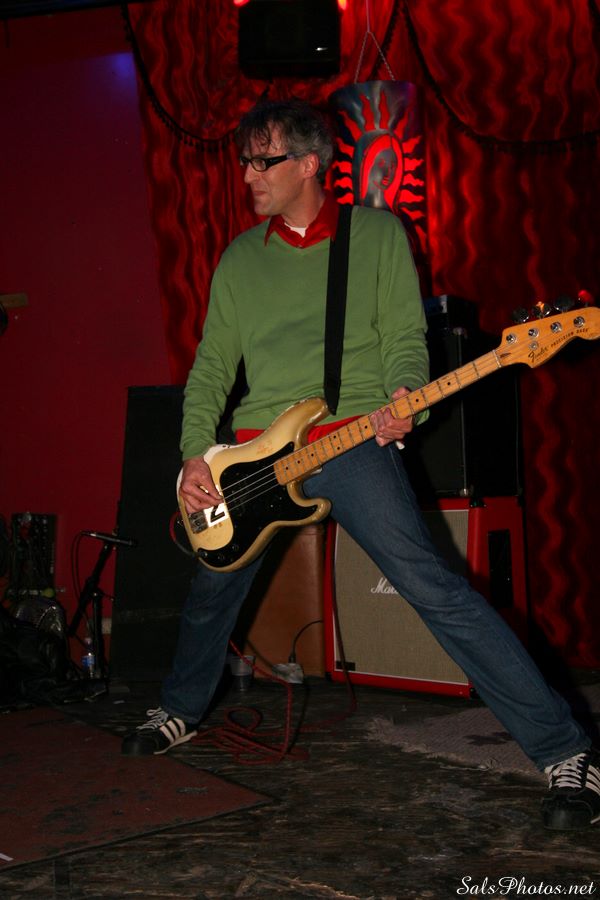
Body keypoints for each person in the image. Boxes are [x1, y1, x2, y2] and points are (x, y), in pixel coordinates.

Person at [122, 98, 599, 831]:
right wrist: (194, 455)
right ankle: (180, 708)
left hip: (349, 439)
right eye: (245, 162)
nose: (248, 176)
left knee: (434, 588)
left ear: (309, 164)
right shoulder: (240, 258)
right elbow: (212, 365)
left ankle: (566, 750)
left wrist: (407, 397)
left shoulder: (375, 235)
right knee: (212, 590)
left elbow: (406, 339)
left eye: (263, 161)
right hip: (251, 455)